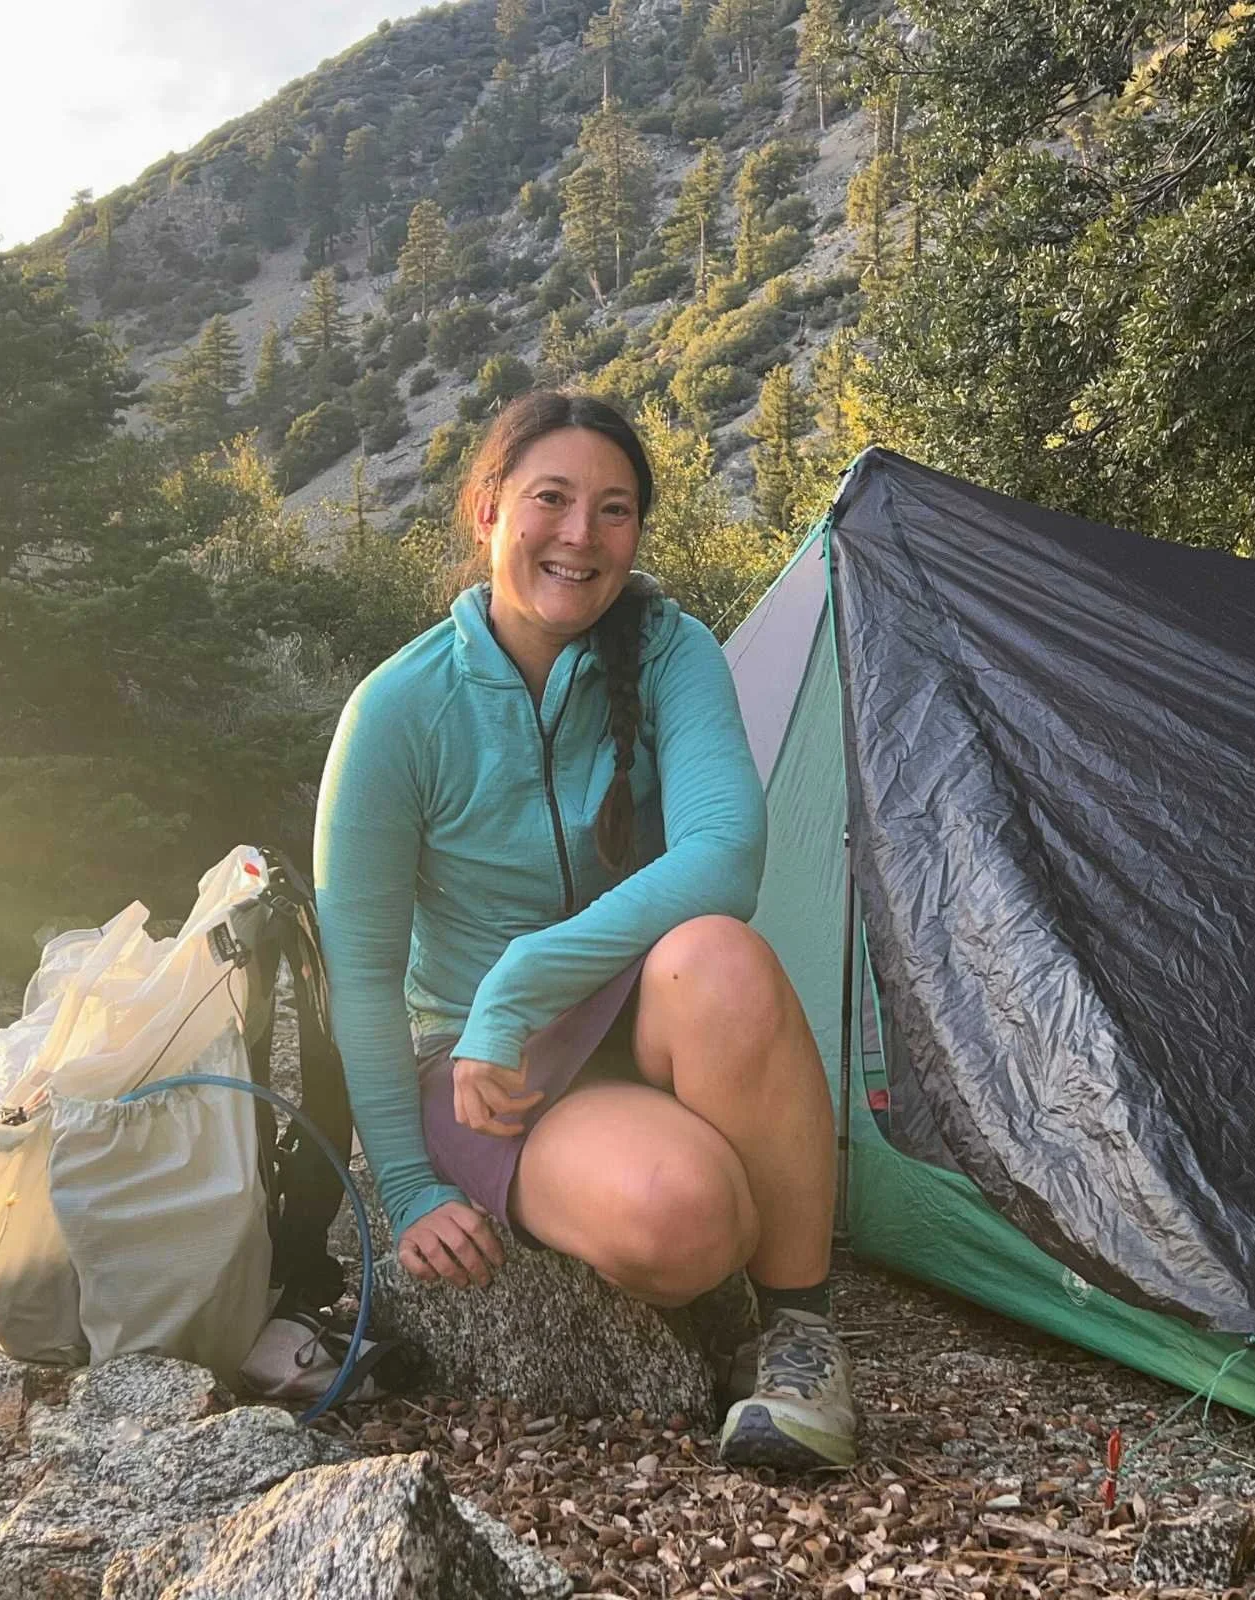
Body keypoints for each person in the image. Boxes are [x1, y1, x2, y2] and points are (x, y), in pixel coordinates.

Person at [311, 390, 856, 1469]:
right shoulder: (398, 709)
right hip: (479, 1069)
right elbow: (363, 975)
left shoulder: (670, 651)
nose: (579, 535)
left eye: (613, 510)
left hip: (615, 1014)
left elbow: (725, 859)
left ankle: (799, 1338)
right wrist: (412, 1187)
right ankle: (691, 1201)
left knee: (719, 954)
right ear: (486, 511)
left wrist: (524, 978)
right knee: (687, 1222)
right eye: (549, 499)